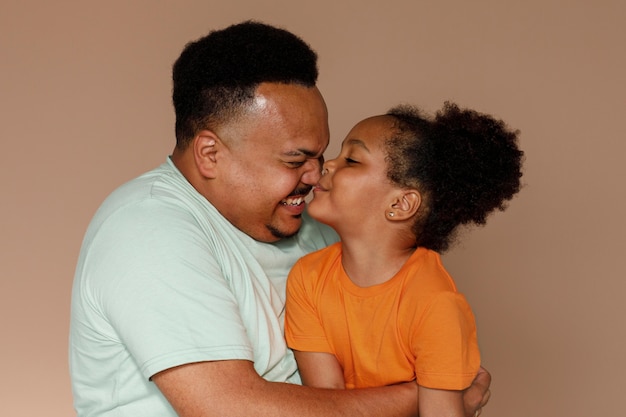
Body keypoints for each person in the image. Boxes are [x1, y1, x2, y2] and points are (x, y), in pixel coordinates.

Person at [69, 20, 491, 417]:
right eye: (295, 159)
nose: (316, 174)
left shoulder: (320, 229)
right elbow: (230, 408)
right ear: (210, 154)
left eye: (322, 154)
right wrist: (429, 394)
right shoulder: (146, 229)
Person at [285, 102, 523, 417]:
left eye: (352, 160)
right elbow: (327, 405)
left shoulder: (435, 303)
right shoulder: (307, 277)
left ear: (400, 203)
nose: (327, 164)